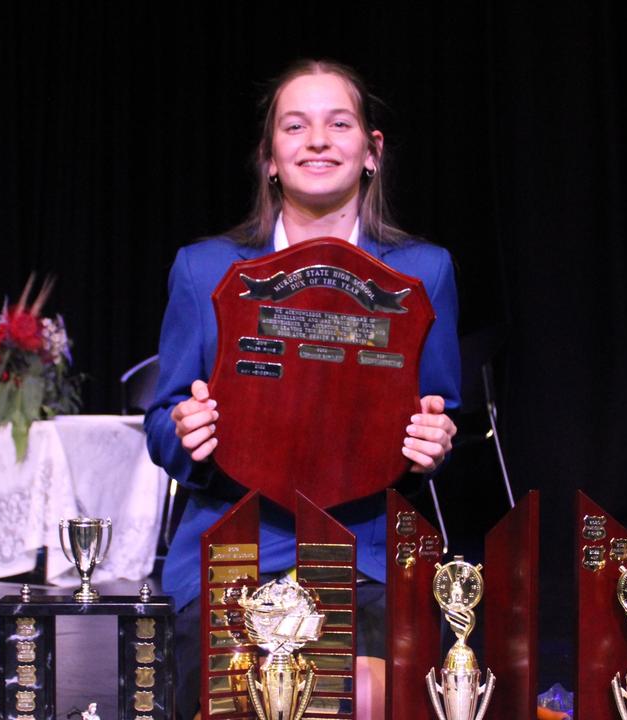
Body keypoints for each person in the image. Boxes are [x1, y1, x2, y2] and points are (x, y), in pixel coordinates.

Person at [144, 58, 461, 720]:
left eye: (338, 123)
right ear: (269, 157)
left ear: (371, 151)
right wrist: (185, 433)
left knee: (378, 696)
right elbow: (160, 422)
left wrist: (435, 442)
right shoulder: (204, 269)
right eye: (295, 125)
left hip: (368, 548)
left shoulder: (424, 273)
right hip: (232, 543)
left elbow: (438, 416)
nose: (317, 140)